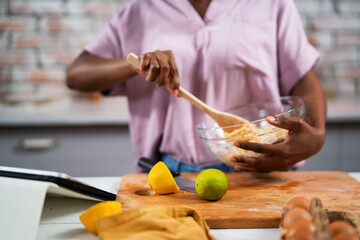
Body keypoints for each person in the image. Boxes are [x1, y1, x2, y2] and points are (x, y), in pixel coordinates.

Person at [66, 0, 326, 173]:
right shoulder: (140, 9)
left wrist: (316, 132)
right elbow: (76, 74)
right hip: (177, 176)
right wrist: (137, 64)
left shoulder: (272, 4)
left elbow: (304, 79)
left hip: (265, 171)